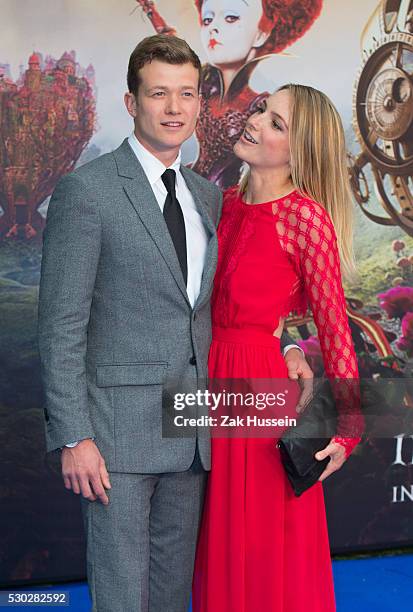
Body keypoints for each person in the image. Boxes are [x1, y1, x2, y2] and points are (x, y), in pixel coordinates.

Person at [38, 35, 310, 612]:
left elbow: (227, 301)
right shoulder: (87, 192)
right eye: (158, 93)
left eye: (186, 93)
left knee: (170, 598)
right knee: (121, 598)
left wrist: (284, 343)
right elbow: (61, 326)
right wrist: (73, 436)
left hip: (194, 435)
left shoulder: (209, 198)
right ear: (131, 101)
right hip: (116, 442)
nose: (174, 107)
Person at [192, 84, 364, 611]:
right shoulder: (216, 204)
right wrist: (285, 342)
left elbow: (335, 329)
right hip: (203, 384)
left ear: (298, 150)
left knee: (260, 551)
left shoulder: (305, 218)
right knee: (209, 544)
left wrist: (349, 429)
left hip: (258, 400)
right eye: (263, 108)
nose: (256, 120)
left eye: (277, 123)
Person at [135, 0, 322, 188]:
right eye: (207, 20)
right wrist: (150, 10)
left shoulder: (260, 107)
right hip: (188, 183)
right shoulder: (204, 84)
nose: (213, 29)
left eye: (231, 18)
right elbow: (171, 41)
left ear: (262, 34)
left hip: (225, 202)